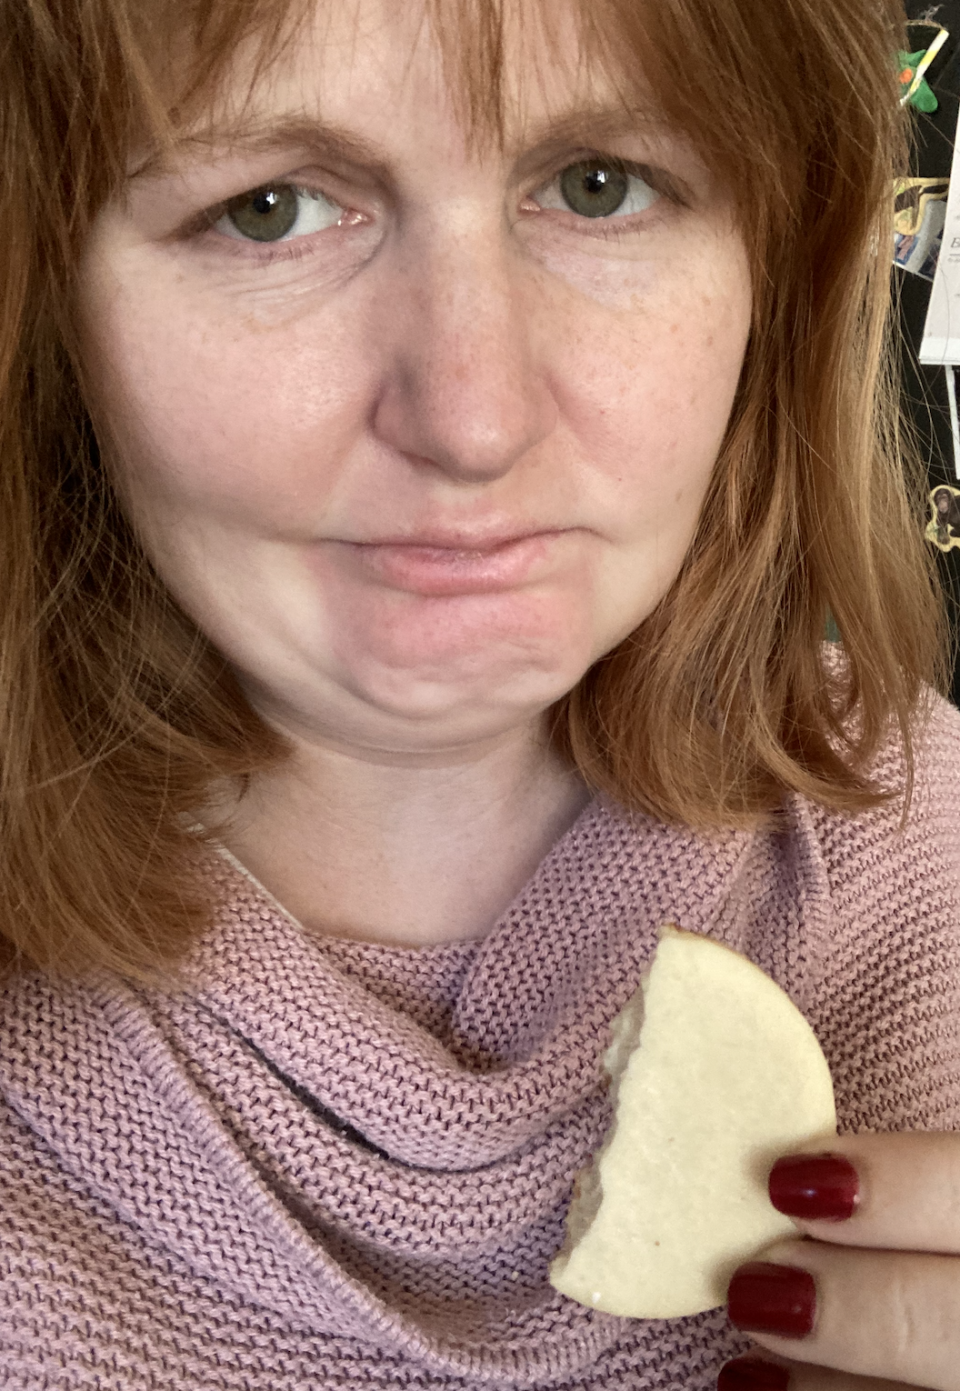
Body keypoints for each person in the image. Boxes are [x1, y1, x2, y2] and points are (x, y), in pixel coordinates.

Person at [1, 0, 959, 1387]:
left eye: (598, 186)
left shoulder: (928, 814)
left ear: (775, 266)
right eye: (268, 207)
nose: (473, 416)